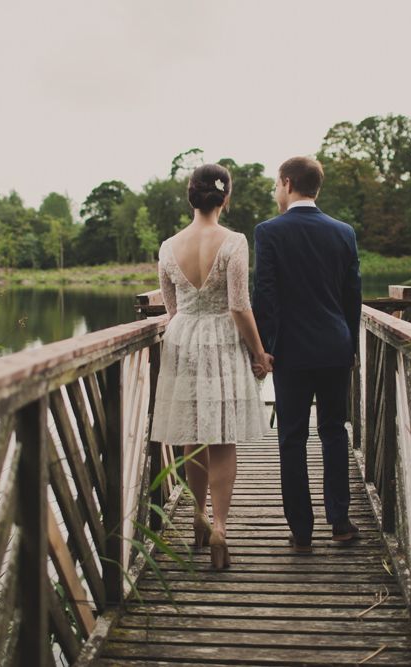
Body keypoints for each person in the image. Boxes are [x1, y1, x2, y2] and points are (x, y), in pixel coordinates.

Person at [150, 163, 273, 570]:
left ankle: (197, 514)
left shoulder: (168, 246)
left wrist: (189, 319)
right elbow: (239, 304)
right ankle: (220, 525)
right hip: (222, 339)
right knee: (223, 437)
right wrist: (258, 352)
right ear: (226, 197)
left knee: (192, 432)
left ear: (190, 197)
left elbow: (170, 308)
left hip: (183, 338)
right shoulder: (234, 241)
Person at [252, 156, 362, 554]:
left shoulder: (269, 232)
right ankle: (341, 523)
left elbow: (264, 294)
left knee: (292, 438)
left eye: (275, 185)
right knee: (334, 432)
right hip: (335, 347)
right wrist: (349, 345)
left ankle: (301, 532)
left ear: (286, 183)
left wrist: (265, 348)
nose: (275, 192)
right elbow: (353, 296)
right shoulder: (343, 232)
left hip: (291, 353)